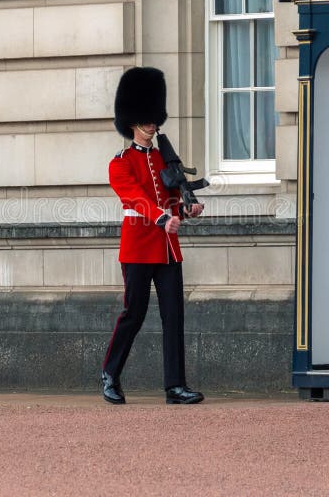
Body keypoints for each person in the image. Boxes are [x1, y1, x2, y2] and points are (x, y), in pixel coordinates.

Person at [101, 66, 205, 405]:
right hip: (138, 248)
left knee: (174, 315)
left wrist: (185, 209)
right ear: (133, 121)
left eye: (154, 119)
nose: (152, 125)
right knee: (134, 314)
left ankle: (175, 385)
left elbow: (171, 197)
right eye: (146, 119)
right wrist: (162, 217)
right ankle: (110, 375)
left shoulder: (163, 157)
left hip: (167, 250)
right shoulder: (121, 162)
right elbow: (133, 197)